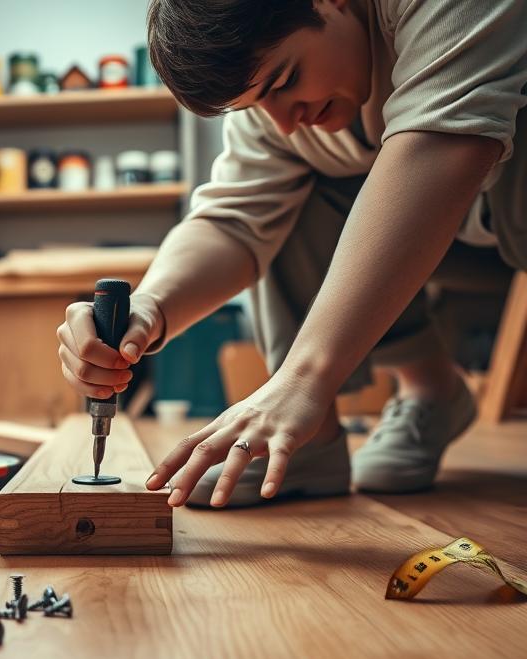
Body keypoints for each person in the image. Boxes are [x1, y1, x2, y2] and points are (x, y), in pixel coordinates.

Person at [57, 0, 527, 508]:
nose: (282, 123)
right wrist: (152, 307)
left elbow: (444, 144)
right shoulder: (274, 95)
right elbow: (236, 221)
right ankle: (401, 404)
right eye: (257, 104)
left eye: (284, 81)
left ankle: (309, 405)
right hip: (469, 238)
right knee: (286, 201)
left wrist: (302, 380)